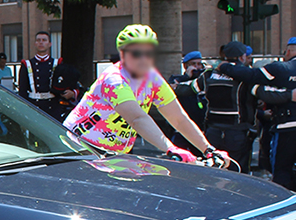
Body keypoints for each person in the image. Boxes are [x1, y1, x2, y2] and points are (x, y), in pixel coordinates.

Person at [63, 24, 229, 164]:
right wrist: (170, 148)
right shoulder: (114, 80)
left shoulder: (152, 79)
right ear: (123, 54)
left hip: (114, 154)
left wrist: (209, 150)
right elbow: (137, 119)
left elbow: (178, 118)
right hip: (79, 148)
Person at [217, 37, 296, 206]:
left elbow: (250, 75)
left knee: (282, 170)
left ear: (288, 52)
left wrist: (224, 66)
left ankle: (283, 210)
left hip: (287, 126)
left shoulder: (281, 68)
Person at [178, 41, 296, 173]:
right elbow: (267, 93)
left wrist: (171, 87)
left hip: (213, 132)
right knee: (239, 172)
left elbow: (188, 88)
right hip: (238, 133)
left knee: (214, 170)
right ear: (242, 57)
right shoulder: (245, 76)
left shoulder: (209, 75)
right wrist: (290, 95)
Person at [17, 31, 78, 118]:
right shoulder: (27, 65)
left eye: (44, 40)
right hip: (34, 107)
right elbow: (22, 91)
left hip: (53, 107)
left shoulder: (58, 63)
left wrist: (71, 93)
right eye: (38, 40)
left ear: (50, 44)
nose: (41, 42)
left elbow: (71, 85)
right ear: (35, 44)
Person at [167, 51, 207, 149]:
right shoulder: (176, 78)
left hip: (200, 127)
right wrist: (186, 77)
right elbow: (170, 89)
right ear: (185, 66)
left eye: (199, 64)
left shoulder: (203, 80)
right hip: (181, 127)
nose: (197, 67)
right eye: (193, 64)